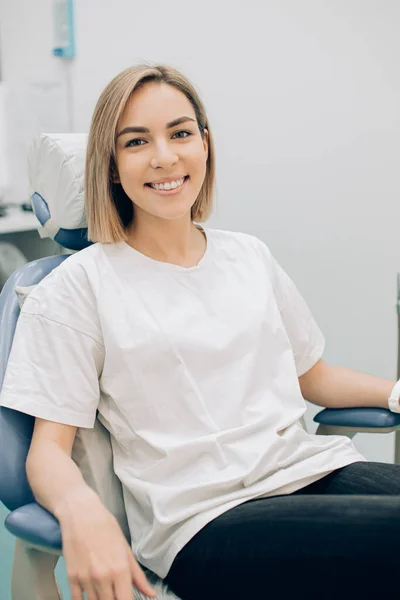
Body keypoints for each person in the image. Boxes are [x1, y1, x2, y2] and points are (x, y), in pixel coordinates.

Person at [1, 63, 399, 600]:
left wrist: (395, 391)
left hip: (309, 471)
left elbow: (316, 377)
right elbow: (47, 452)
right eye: (136, 142)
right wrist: (82, 516)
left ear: (205, 145)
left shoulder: (248, 255)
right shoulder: (75, 288)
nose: (165, 156)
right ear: (112, 167)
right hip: (205, 518)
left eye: (181, 133)